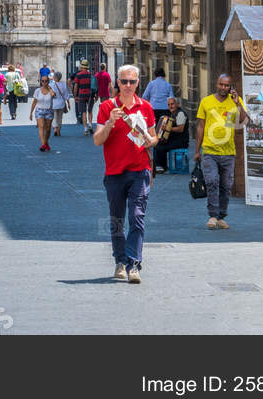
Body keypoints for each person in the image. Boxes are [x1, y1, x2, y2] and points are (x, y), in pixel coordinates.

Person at [93, 64, 158, 284]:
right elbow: (97, 140)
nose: (128, 85)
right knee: (117, 220)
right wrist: (111, 122)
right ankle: (120, 261)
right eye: (124, 81)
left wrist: (151, 140)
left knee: (137, 217)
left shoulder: (146, 107)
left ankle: (133, 264)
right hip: (114, 172)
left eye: (132, 81)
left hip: (139, 171)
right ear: (117, 83)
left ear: (138, 82)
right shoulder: (106, 107)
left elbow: (153, 137)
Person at [194, 74, 248, 230]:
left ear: (231, 87)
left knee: (226, 185)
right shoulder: (206, 102)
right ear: (216, 84)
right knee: (211, 181)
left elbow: (244, 121)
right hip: (209, 150)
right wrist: (197, 150)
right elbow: (200, 126)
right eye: (221, 84)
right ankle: (212, 215)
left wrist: (238, 104)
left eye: (227, 85)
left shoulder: (235, 101)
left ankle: (221, 216)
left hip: (228, 152)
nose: (223, 88)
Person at [152, 97, 189, 174]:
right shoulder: (173, 114)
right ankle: (159, 166)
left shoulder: (180, 113)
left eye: (172, 104)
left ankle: (162, 166)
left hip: (181, 141)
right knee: (157, 143)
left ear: (177, 104)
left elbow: (180, 129)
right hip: (175, 139)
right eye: (169, 105)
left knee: (161, 147)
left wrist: (167, 128)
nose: (170, 106)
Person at [31, 72, 57, 150]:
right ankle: (43, 145)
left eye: (46, 81)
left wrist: (49, 88)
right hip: (39, 110)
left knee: (48, 129)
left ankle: (46, 143)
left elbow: (53, 95)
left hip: (49, 111)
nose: (44, 82)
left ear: (48, 81)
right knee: (41, 127)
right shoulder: (37, 91)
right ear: (40, 82)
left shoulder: (51, 90)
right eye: (42, 81)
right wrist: (31, 113)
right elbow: (34, 102)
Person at [72, 61, 94, 134]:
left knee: (83, 112)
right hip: (90, 95)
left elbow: (76, 87)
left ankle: (85, 129)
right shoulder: (90, 75)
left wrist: (75, 95)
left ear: (82, 67)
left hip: (81, 95)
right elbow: (93, 86)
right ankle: (90, 124)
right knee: (90, 111)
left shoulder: (78, 75)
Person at [51, 71, 71, 137]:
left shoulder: (51, 85)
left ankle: (55, 130)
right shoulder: (63, 84)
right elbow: (66, 95)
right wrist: (68, 104)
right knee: (60, 118)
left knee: (54, 117)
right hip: (61, 103)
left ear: (55, 77)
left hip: (54, 103)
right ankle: (59, 129)